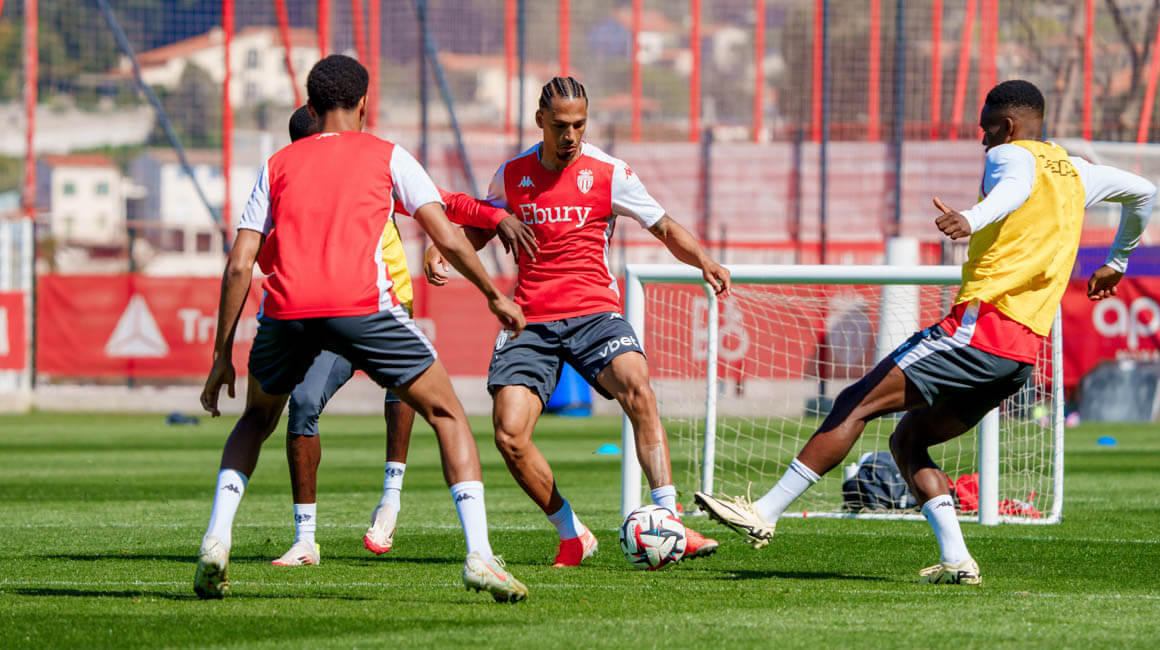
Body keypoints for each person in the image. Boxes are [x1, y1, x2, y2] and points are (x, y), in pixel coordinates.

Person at [695, 79, 1156, 585]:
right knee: (908, 439)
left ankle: (763, 512)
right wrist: (1117, 261)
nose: (982, 140)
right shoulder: (1076, 171)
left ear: (1007, 126)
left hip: (980, 330)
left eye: (986, 130)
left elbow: (1013, 190)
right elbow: (1145, 192)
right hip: (1020, 356)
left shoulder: (1009, 155)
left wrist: (972, 218)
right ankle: (957, 559)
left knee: (855, 402)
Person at [194, 55, 529, 603]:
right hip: (361, 308)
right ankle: (479, 556)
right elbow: (445, 234)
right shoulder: (387, 155)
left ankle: (216, 538)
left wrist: (220, 357)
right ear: (365, 103)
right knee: (447, 413)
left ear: (310, 107)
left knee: (256, 418)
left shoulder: (276, 164)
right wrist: (493, 294)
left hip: (287, 312)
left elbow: (238, 266)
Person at [429, 76, 731, 567]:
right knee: (509, 434)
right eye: (561, 125)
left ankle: (670, 518)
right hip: (530, 320)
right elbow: (484, 228)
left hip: (594, 313)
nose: (571, 135)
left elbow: (663, 226)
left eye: (579, 124)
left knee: (638, 389)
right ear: (540, 121)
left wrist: (705, 261)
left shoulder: (611, 173)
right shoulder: (512, 175)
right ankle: (572, 534)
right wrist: (446, 250)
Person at [269, 107, 537, 567]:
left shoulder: (367, 174)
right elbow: (263, 256)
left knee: (418, 397)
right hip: (326, 321)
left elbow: (445, 203)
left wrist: (495, 218)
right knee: (304, 403)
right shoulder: (287, 191)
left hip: (384, 311)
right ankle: (305, 540)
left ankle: (390, 499)